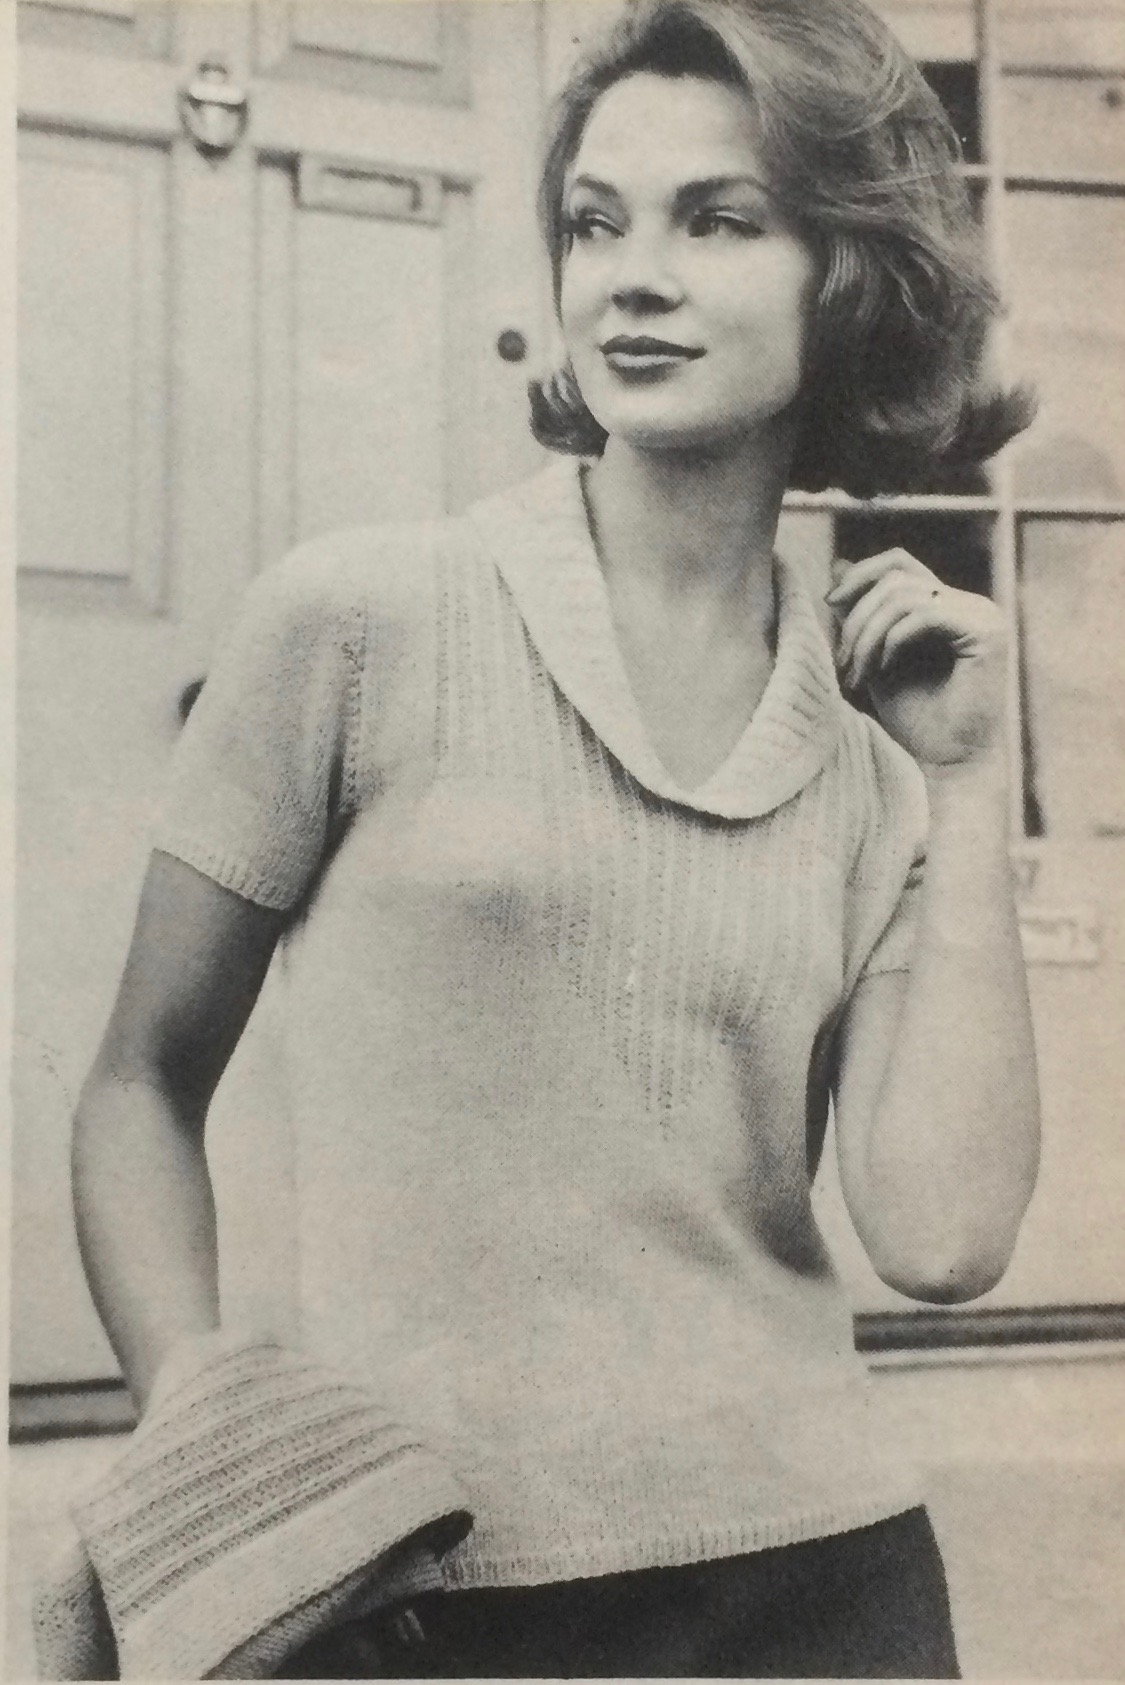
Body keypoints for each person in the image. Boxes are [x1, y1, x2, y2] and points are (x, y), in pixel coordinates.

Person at [70, 0, 1041, 1675]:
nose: (628, 279)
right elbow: (137, 1086)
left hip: (821, 1588)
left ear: (846, 283)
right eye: (595, 223)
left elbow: (943, 1238)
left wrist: (961, 785)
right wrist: (217, 1461)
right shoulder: (357, 620)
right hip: (415, 1591)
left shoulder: (875, 769)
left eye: (714, 222)